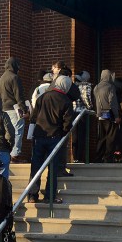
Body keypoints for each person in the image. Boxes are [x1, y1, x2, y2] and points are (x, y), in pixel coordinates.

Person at [26, 74, 75, 204]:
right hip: (55, 137)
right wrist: (63, 132)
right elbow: (67, 122)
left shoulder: (42, 97)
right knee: (52, 168)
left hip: (39, 136)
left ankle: (32, 195)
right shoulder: (66, 101)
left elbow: (34, 116)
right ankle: (49, 196)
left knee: (35, 167)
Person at [0, 57, 28, 160]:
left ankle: (8, 153)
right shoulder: (14, 78)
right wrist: (24, 109)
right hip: (14, 109)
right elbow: (19, 96)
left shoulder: (1, 78)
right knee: (17, 131)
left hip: (3, 109)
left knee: (8, 132)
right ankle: (15, 154)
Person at [93, 69, 119, 163]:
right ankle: (108, 158)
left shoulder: (96, 87)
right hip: (109, 114)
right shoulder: (110, 87)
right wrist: (116, 115)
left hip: (100, 115)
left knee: (101, 137)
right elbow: (113, 102)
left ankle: (98, 157)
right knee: (111, 137)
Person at [71, 71, 93, 163]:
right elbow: (87, 98)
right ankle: (80, 157)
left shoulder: (73, 86)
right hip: (82, 114)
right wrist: (90, 107)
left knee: (75, 136)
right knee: (82, 136)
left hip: (73, 112)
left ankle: (75, 157)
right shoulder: (86, 86)